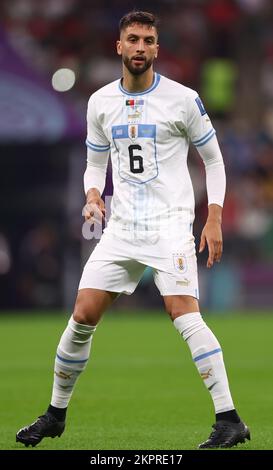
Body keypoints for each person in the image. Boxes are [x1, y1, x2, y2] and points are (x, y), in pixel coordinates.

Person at [16, 10, 250, 449]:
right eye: (133, 39)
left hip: (168, 226)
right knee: (83, 314)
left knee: (183, 314)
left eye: (148, 40)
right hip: (122, 227)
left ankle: (230, 419)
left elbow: (214, 160)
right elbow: (95, 162)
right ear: (118, 47)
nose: (141, 47)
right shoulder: (100, 102)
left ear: (157, 48)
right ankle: (55, 415)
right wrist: (91, 195)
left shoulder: (183, 99)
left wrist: (213, 216)